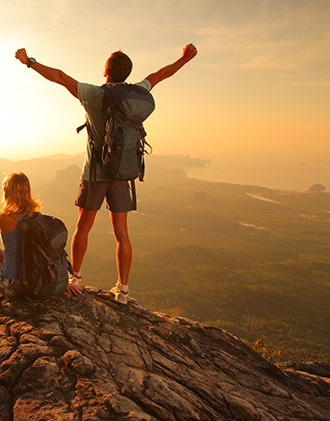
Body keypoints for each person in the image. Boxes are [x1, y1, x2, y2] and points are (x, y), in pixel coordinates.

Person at [14, 44, 198, 304]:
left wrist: (29, 61)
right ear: (128, 73)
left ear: (105, 71)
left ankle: (75, 278)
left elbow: (61, 77)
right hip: (122, 174)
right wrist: (185, 58)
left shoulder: (95, 94)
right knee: (122, 233)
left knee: (84, 226)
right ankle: (123, 289)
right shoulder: (138, 93)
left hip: (95, 174)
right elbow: (161, 74)